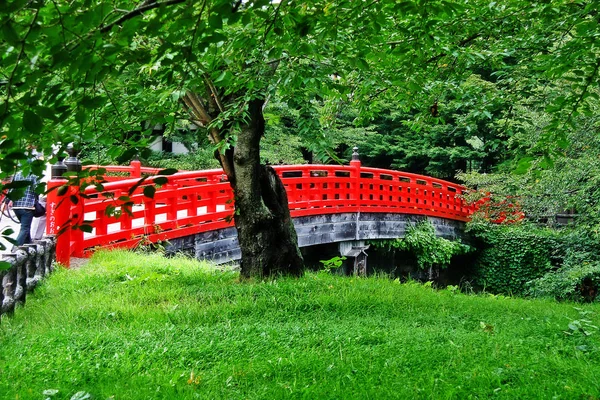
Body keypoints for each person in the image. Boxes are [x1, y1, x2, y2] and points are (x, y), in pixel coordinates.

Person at [4, 171, 38, 246]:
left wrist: (8, 200)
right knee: (25, 228)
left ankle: (28, 243)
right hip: (28, 206)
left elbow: (11, 189)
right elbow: (37, 190)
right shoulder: (34, 175)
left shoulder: (17, 174)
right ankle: (15, 247)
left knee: (25, 226)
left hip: (16, 207)